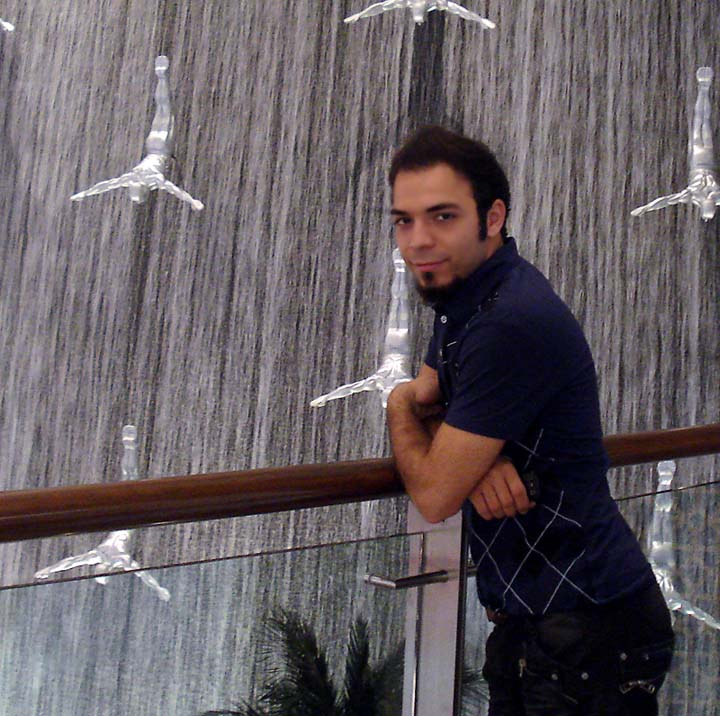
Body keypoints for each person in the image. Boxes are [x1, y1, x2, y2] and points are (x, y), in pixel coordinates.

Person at [385, 126, 674, 715]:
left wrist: (398, 407)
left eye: (442, 217)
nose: (419, 240)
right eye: (404, 221)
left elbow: (435, 493)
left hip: (591, 630)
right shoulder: (464, 301)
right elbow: (432, 396)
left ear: (492, 217)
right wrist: (473, 454)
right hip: (540, 624)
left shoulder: (507, 322)